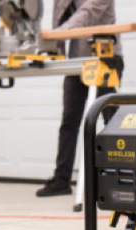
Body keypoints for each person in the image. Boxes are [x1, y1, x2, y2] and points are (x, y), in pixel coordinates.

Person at [36, 0, 124, 197]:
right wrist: (52, 48)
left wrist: (59, 31)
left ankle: (120, 178)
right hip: (77, 63)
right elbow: (58, 16)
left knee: (112, 121)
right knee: (69, 121)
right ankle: (61, 180)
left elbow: (86, 14)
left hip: (105, 59)